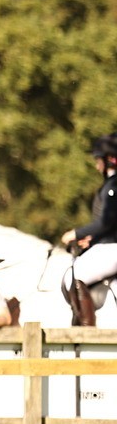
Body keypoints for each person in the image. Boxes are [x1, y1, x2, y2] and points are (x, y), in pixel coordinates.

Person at [60, 135, 117, 325]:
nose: (96, 165)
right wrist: (92, 240)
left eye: (98, 160)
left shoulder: (114, 186)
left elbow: (107, 221)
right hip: (108, 244)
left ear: (110, 159)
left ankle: (85, 330)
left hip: (113, 248)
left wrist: (76, 233)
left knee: (72, 277)